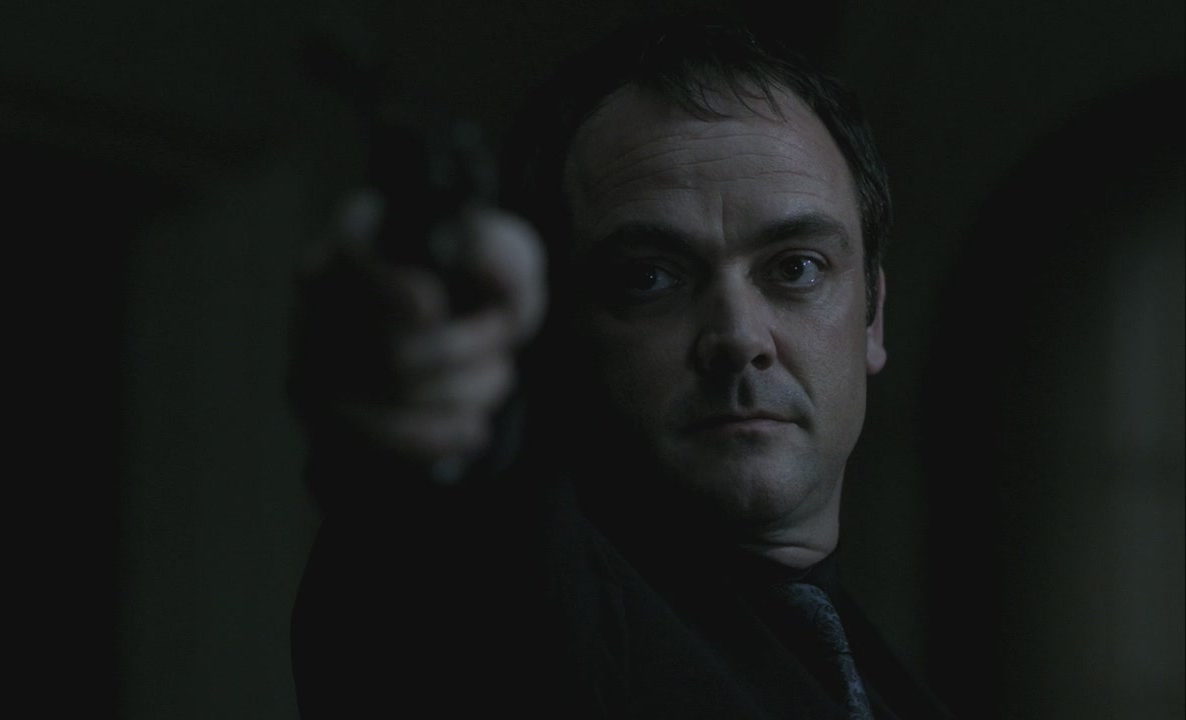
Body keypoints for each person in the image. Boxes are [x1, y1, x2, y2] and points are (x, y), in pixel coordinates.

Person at [289, 17, 955, 720]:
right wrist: (430, 395)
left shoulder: (883, 684)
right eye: (649, 278)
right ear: (552, 327)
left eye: (796, 268)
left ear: (873, 316)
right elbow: (450, 553)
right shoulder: (508, 604)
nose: (738, 336)